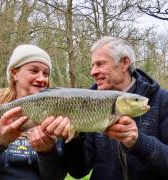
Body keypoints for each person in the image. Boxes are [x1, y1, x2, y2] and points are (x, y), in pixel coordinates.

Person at [41, 36, 168, 180]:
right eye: (92, 65)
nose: (92, 72)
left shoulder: (163, 100)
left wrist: (138, 142)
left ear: (125, 62)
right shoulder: (83, 101)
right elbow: (78, 171)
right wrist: (74, 137)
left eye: (100, 64)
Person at [0, 44, 66, 180]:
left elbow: (56, 177)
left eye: (46, 73)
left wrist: (47, 152)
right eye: (34, 71)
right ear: (14, 73)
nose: (42, 79)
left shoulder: (55, 113)